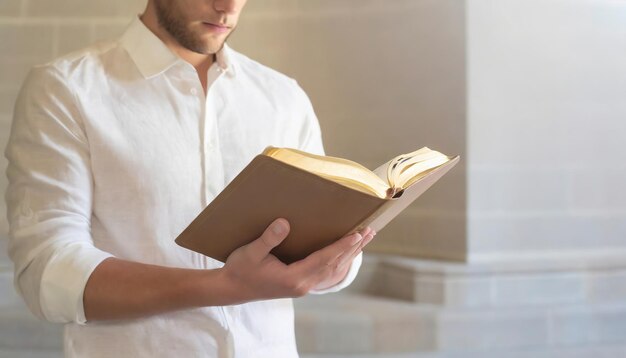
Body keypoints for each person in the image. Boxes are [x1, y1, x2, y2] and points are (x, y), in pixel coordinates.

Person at [4, 0, 376, 357]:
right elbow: (46, 271)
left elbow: (316, 243)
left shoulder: (284, 98)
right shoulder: (65, 90)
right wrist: (223, 287)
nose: (228, 6)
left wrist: (334, 264)